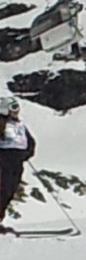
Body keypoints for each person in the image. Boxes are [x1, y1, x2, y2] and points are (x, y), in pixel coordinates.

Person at [0, 97, 35, 226]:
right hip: (4, 160)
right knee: (2, 189)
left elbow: (29, 142)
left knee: (10, 190)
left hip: (16, 162)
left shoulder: (19, 125)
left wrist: (26, 153)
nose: (16, 111)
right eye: (13, 108)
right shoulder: (2, 123)